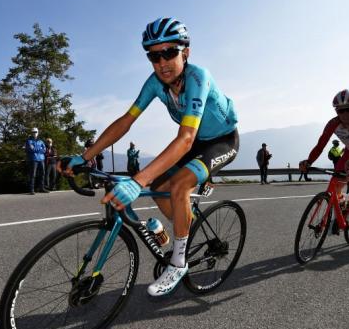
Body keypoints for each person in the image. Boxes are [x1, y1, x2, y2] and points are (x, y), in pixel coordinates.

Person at [60, 17, 239, 297]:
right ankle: (183, 232)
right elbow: (125, 121)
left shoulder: (198, 77)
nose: (162, 62)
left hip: (221, 140)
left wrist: (137, 180)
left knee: (178, 185)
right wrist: (86, 157)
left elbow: (186, 138)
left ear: (186, 52)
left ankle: (179, 262)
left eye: (170, 52)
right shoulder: (155, 82)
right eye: (154, 56)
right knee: (158, 189)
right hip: (193, 142)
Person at [300, 89, 349, 224]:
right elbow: (320, 146)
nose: (345, 114)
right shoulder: (333, 124)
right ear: (336, 111)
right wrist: (308, 161)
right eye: (340, 111)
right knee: (336, 181)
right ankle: (343, 207)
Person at [26, 127, 48, 194]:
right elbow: (31, 149)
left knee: (43, 174)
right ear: (31, 133)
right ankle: (32, 190)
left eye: (35, 132)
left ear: (37, 132)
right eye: (33, 132)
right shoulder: (29, 141)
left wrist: (37, 149)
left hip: (41, 159)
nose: (34, 133)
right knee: (33, 175)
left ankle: (41, 188)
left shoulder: (41, 141)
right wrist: (40, 149)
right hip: (33, 159)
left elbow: (44, 149)